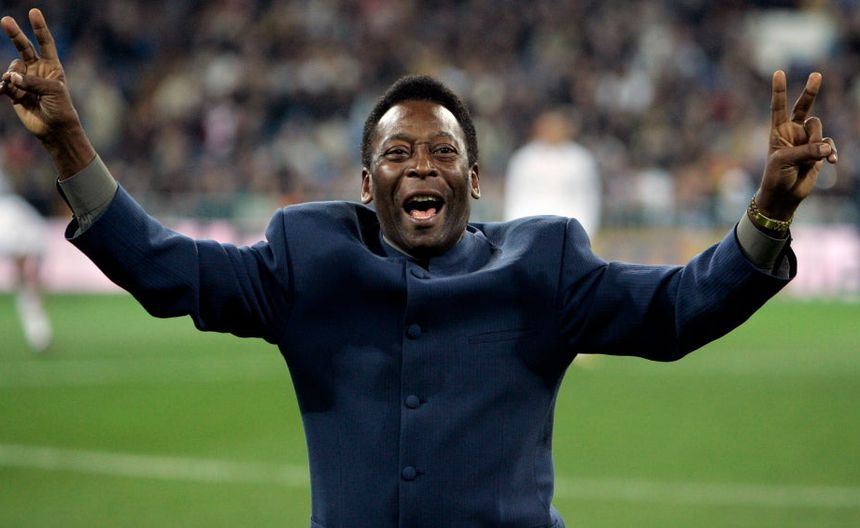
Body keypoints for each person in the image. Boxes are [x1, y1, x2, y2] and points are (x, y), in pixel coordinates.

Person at [0, 9, 838, 528]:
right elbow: (164, 268)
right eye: (398, 153)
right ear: (368, 185)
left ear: (475, 179)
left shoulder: (544, 264)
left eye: (444, 152)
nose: (422, 165)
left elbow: (679, 309)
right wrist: (69, 143)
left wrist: (770, 210)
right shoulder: (306, 259)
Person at [504, 109, 602, 238]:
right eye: (548, 126)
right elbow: (515, 196)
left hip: (569, 227)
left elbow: (588, 198)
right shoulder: (524, 159)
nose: (553, 131)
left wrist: (585, 231)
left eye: (557, 126)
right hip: (530, 226)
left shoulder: (581, 160)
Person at [0, 166, 52, 352]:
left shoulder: (14, 209)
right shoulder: (12, 211)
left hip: (15, 215)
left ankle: (38, 334)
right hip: (12, 217)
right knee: (27, 286)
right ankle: (38, 334)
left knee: (27, 286)